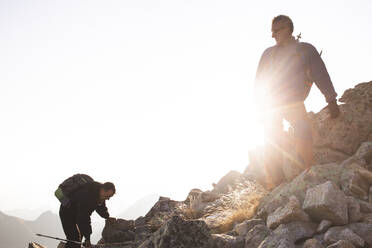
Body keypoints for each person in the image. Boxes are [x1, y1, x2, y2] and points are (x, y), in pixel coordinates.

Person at [254, 15, 340, 190]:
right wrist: (259, 109)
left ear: (289, 29)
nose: (273, 35)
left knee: (303, 131)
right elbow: (259, 83)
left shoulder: (305, 50)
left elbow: (320, 74)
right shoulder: (267, 54)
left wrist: (331, 99)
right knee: (271, 139)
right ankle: (274, 184)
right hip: (271, 105)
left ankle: (308, 175)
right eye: (272, 31)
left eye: (277, 30)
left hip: (293, 104)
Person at [59, 181, 116, 248]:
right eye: (108, 196)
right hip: (67, 212)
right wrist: (88, 238)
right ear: (103, 190)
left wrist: (107, 217)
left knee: (76, 238)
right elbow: (83, 218)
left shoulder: (98, 193)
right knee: (74, 239)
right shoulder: (88, 195)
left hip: (76, 212)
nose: (108, 198)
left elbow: (100, 207)